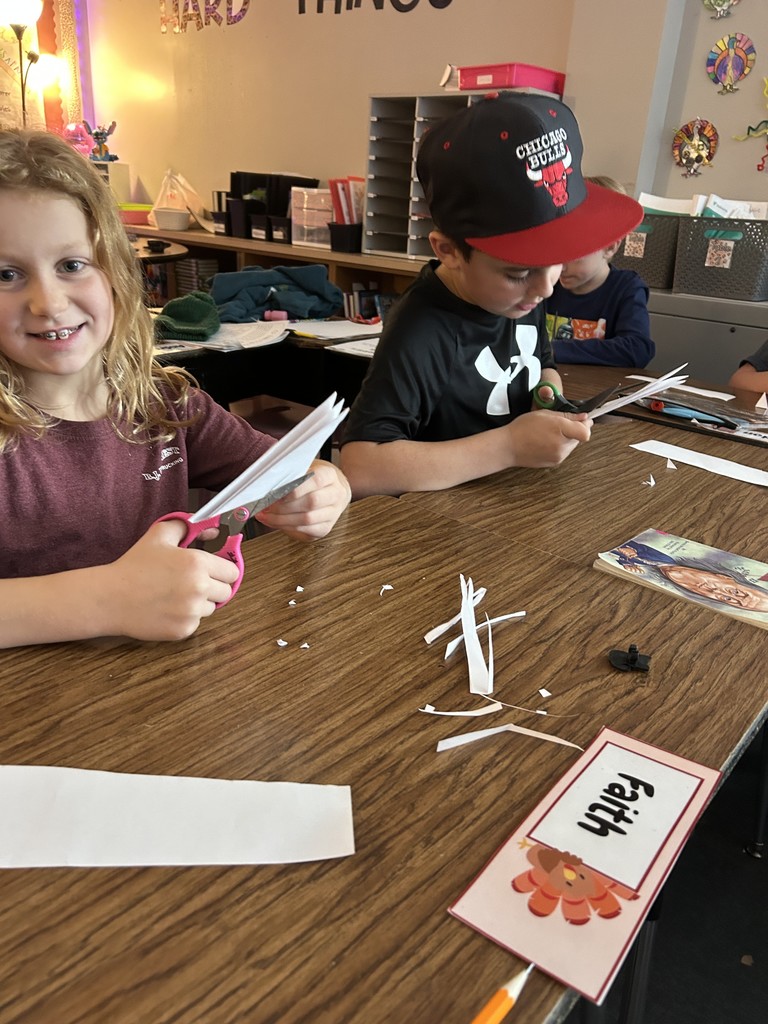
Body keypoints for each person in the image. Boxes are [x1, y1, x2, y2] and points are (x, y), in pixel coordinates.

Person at [0, 128, 351, 649]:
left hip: (165, 679)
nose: (48, 303)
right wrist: (109, 600)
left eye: (72, 266)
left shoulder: (166, 405)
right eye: (6, 274)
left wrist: (326, 487)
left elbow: (292, 471)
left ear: (115, 272)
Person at [339, 94, 643, 499]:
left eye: (557, 260)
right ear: (448, 251)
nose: (545, 288)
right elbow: (360, 466)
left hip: (510, 502)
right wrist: (509, 446)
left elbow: (544, 362)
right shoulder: (422, 329)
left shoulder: (520, 295)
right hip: (438, 521)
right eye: (519, 271)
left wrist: (547, 394)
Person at [545, 175, 654, 368]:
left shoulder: (627, 288)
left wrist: (551, 350)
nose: (560, 266)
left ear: (610, 247)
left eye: (574, 254)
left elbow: (638, 349)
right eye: (557, 251)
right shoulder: (546, 282)